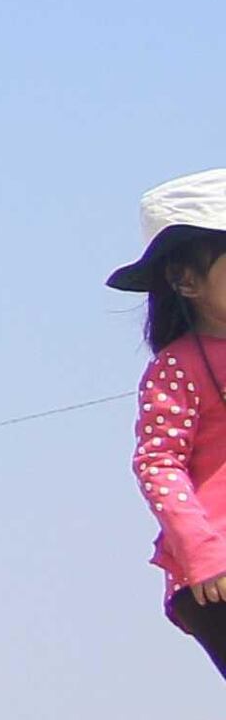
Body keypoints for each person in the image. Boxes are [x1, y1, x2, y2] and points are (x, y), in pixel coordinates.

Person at [111, 173, 226, 681]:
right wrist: (203, 554)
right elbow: (158, 462)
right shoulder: (177, 368)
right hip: (217, 574)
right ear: (185, 281)